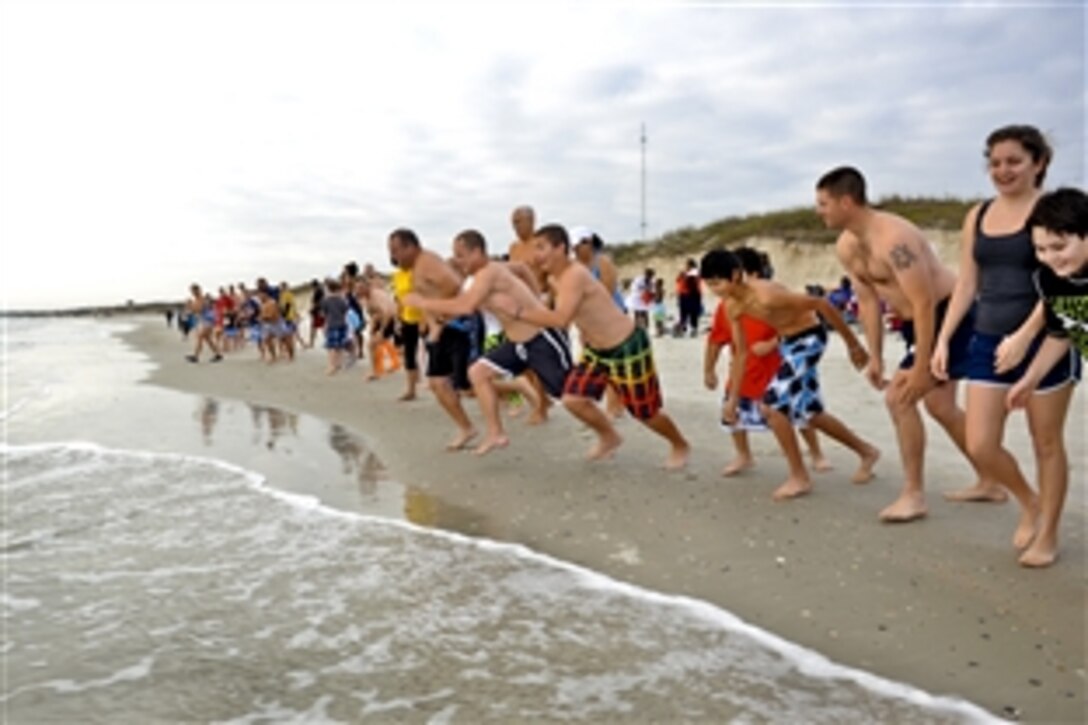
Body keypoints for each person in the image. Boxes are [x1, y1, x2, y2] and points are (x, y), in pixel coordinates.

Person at [817, 165, 1002, 522]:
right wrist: (875, 356)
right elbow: (869, 301)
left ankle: (913, 494)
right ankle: (991, 479)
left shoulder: (895, 239)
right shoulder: (847, 246)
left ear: (846, 201)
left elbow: (924, 301)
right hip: (917, 324)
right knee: (941, 407)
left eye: (823, 203)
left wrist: (920, 369)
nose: (818, 210)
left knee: (899, 398)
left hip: (950, 315)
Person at [932, 125, 1080, 562]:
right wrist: (944, 339)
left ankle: (1048, 532)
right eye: (995, 162)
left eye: (1014, 161)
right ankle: (1028, 501)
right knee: (980, 443)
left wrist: (1025, 335)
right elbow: (967, 282)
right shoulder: (977, 215)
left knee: (1045, 442)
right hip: (987, 338)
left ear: (1039, 163)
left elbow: (1063, 281)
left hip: (1048, 336)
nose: (1003, 170)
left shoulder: (1053, 211)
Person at [498, 224, 690, 469]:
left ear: (561, 248)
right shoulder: (557, 278)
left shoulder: (574, 275)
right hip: (596, 351)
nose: (536, 255)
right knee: (572, 399)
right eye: (535, 249)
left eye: (542, 247)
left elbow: (560, 319)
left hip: (626, 346)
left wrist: (517, 311)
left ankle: (679, 444)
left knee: (646, 413)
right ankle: (610, 436)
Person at [700, 249, 880, 501]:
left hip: (809, 339)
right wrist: (732, 400)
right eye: (709, 284)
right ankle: (867, 452)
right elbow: (741, 354)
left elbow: (821, 304)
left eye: (718, 282)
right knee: (810, 413)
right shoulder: (732, 306)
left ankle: (800, 477)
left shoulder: (765, 295)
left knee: (771, 408)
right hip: (787, 343)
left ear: (735, 274)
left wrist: (854, 346)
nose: (715, 289)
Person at [405, 230, 570, 455]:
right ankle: (496, 433)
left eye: (461, 255)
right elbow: (469, 302)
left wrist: (537, 300)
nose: (456, 260)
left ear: (477, 251)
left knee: (572, 397)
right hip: (516, 344)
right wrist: (442, 318)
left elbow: (466, 306)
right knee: (478, 373)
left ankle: (609, 425)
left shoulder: (490, 271)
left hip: (541, 337)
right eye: (455, 255)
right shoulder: (477, 278)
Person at [1002, 187, 1087, 567]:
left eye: (1059, 246)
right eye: (1041, 249)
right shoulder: (1053, 279)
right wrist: (1030, 380)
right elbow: (1062, 331)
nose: (1050, 258)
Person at [705, 247, 830, 477]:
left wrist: (772, 343)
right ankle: (743, 455)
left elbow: (797, 325)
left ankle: (815, 453)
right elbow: (716, 339)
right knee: (734, 411)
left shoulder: (768, 298)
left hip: (778, 363)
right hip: (744, 367)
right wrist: (709, 370)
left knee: (801, 410)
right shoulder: (728, 306)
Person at [389, 227, 481, 450]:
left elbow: (453, 286)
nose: (393, 257)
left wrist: (439, 319)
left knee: (469, 385)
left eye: (396, 251)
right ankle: (467, 428)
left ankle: (521, 391)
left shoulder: (427, 261)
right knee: (438, 383)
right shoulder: (415, 267)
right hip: (442, 330)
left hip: (458, 327)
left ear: (411, 247)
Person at [355, 277, 401, 381]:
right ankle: (381, 369)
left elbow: (387, 313)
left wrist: (381, 331)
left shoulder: (376, 296)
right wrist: (372, 327)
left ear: (367, 287)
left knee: (373, 344)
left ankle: (377, 371)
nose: (358, 290)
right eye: (357, 288)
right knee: (375, 344)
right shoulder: (365, 298)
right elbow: (374, 314)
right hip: (380, 320)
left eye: (360, 288)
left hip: (390, 319)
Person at [390, 263, 423, 401]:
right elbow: (398, 299)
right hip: (407, 318)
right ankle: (411, 390)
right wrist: (398, 319)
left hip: (424, 316)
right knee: (409, 354)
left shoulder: (417, 272)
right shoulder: (397, 276)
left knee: (434, 351)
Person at [184, 284, 223, 363]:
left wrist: (190, 306)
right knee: (207, 339)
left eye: (194, 291)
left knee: (200, 337)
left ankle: (195, 356)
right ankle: (218, 354)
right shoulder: (197, 299)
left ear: (198, 290)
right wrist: (190, 307)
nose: (193, 293)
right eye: (192, 291)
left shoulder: (201, 299)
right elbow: (195, 311)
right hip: (206, 320)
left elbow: (198, 310)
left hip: (209, 320)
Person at [320, 278, 350, 375]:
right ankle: (338, 364)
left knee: (331, 347)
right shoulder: (342, 300)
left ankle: (332, 366)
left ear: (328, 289)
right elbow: (345, 312)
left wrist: (324, 326)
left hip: (331, 324)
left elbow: (323, 315)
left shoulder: (326, 301)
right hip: (342, 324)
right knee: (340, 346)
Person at [678, 258, 703, 336]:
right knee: (689, 312)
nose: (686, 266)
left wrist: (683, 274)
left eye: (687, 265)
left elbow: (683, 281)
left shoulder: (692, 273)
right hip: (688, 294)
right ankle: (689, 328)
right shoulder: (693, 273)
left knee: (688, 312)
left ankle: (689, 328)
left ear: (690, 265)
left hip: (690, 294)